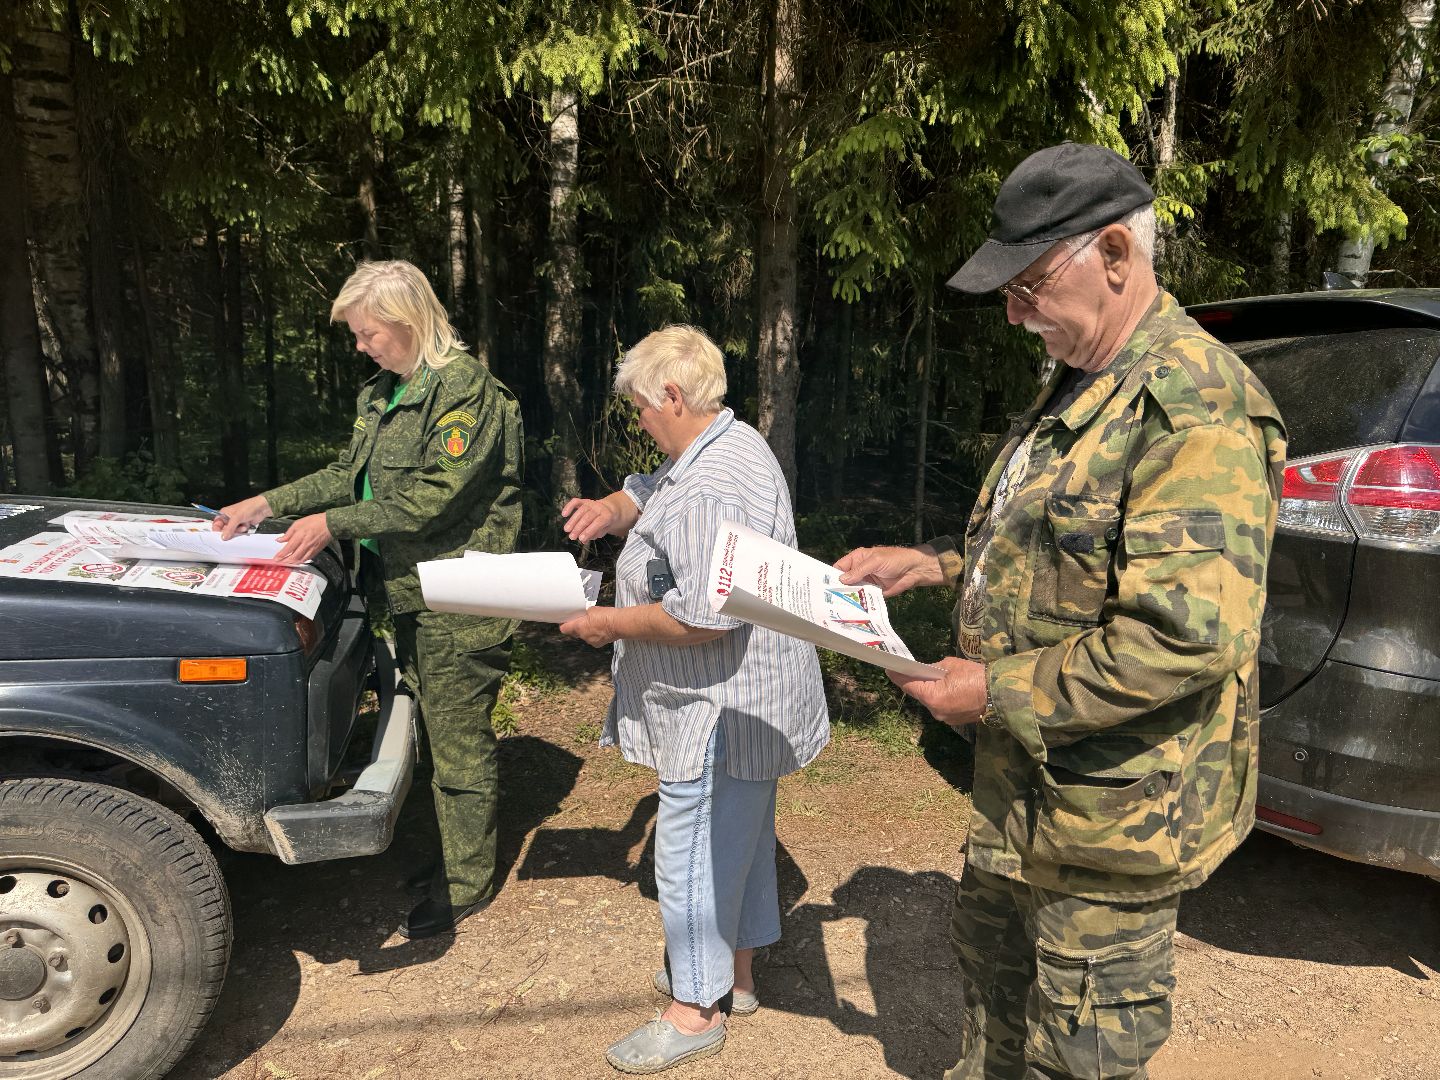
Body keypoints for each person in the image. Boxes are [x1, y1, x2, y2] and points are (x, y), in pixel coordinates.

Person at [837, 142, 1286, 1080]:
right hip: (1025, 798)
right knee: (994, 1010)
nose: (1012, 311)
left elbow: (1184, 635)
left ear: (1115, 254)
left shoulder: (1193, 406)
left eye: (1030, 285)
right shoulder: (1088, 376)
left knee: (1078, 1055)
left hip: (1108, 824)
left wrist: (990, 691)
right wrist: (935, 563)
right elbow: (1065, 550)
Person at [215, 259, 523, 940]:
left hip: (460, 595)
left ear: (408, 321)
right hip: (413, 593)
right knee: (435, 737)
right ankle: (450, 856)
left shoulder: (465, 392)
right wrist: (265, 503)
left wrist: (334, 524)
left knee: (460, 744)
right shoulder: (384, 393)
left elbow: (435, 497)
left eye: (367, 332)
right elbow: (346, 476)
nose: (359, 346)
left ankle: (466, 885)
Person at [558, 325, 829, 1074]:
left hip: (718, 700)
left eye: (643, 407)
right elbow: (654, 488)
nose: (640, 420)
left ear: (673, 396)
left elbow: (702, 616)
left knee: (692, 850)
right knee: (735, 838)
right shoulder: (720, 444)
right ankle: (733, 977)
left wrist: (605, 622)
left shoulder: (713, 483)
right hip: (750, 698)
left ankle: (694, 1010)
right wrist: (613, 509)